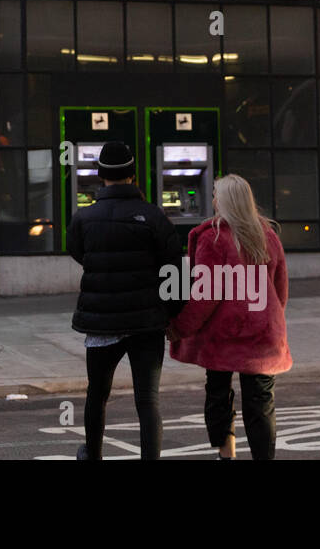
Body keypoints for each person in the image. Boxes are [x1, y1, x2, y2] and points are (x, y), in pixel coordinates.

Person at [68, 141, 183, 461]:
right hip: (147, 322)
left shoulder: (84, 218)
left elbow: (80, 254)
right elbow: (173, 269)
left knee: (98, 394)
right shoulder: (154, 216)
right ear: (133, 175)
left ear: (100, 175)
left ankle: (92, 454)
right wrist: (172, 314)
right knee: (148, 401)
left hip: (101, 321)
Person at [169, 174, 292, 460]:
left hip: (222, 335)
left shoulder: (213, 238)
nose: (212, 200)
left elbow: (205, 294)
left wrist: (181, 327)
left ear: (224, 201)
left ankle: (227, 455)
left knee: (219, 395)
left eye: (215, 195)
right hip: (263, 333)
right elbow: (280, 288)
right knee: (261, 402)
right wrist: (271, 318)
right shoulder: (268, 236)